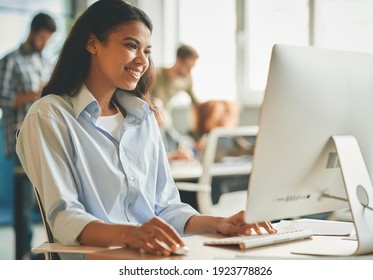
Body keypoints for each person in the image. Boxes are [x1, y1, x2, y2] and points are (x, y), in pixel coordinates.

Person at [15, 0, 275, 260]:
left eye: (147, 51)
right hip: (100, 262)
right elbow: (64, 215)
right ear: (92, 43)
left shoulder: (143, 117)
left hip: (153, 256)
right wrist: (129, 234)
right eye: (131, 46)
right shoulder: (50, 115)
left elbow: (166, 206)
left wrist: (218, 223)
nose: (142, 60)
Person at [0, 12, 57, 259]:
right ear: (33, 32)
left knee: (44, 204)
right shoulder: (10, 61)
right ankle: (21, 258)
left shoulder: (44, 61)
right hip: (18, 140)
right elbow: (3, 99)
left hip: (43, 140)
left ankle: (39, 256)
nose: (45, 43)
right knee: (23, 208)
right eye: (43, 37)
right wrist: (35, 94)